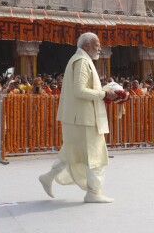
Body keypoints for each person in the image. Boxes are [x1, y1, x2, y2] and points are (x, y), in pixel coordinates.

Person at [39, 32, 117, 203]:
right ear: (86, 46)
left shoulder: (79, 60)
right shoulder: (82, 62)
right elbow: (80, 91)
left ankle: (48, 177)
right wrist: (104, 93)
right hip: (84, 118)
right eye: (97, 45)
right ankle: (93, 192)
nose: (100, 48)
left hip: (77, 117)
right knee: (95, 155)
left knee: (71, 152)